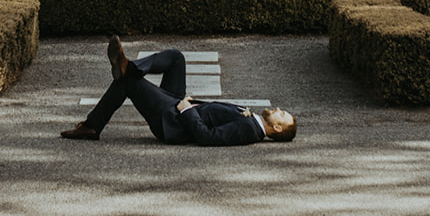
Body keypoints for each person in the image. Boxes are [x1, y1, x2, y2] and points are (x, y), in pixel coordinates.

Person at [60, 37, 297, 145]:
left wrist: (187, 111)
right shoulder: (252, 122)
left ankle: (92, 125)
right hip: (181, 107)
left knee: (127, 83)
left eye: (282, 115)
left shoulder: (249, 130)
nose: (279, 109)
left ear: (276, 128)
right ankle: (129, 68)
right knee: (176, 58)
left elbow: (208, 138)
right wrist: (194, 103)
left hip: (173, 121)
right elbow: (215, 115)